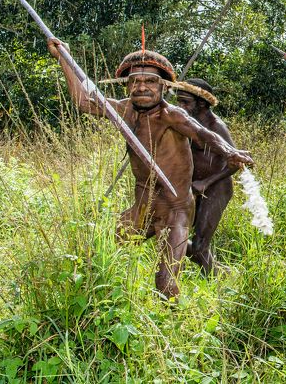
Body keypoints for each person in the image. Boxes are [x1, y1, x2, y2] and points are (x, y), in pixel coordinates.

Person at [47, 39, 252, 300]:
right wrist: (64, 57)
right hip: (142, 208)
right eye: (135, 81)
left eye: (150, 81)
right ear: (128, 85)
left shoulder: (172, 115)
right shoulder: (124, 109)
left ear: (164, 86)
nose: (141, 87)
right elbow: (84, 101)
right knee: (92, 259)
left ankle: (178, 328)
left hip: (174, 211)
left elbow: (203, 134)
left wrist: (230, 152)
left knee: (165, 284)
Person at [174, 78, 237, 275]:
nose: (180, 106)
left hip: (217, 186)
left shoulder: (216, 126)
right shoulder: (184, 121)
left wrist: (206, 182)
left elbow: (235, 162)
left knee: (200, 245)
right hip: (193, 186)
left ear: (201, 103)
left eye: (185, 102)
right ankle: (218, 270)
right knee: (174, 235)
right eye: (179, 101)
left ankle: (215, 281)